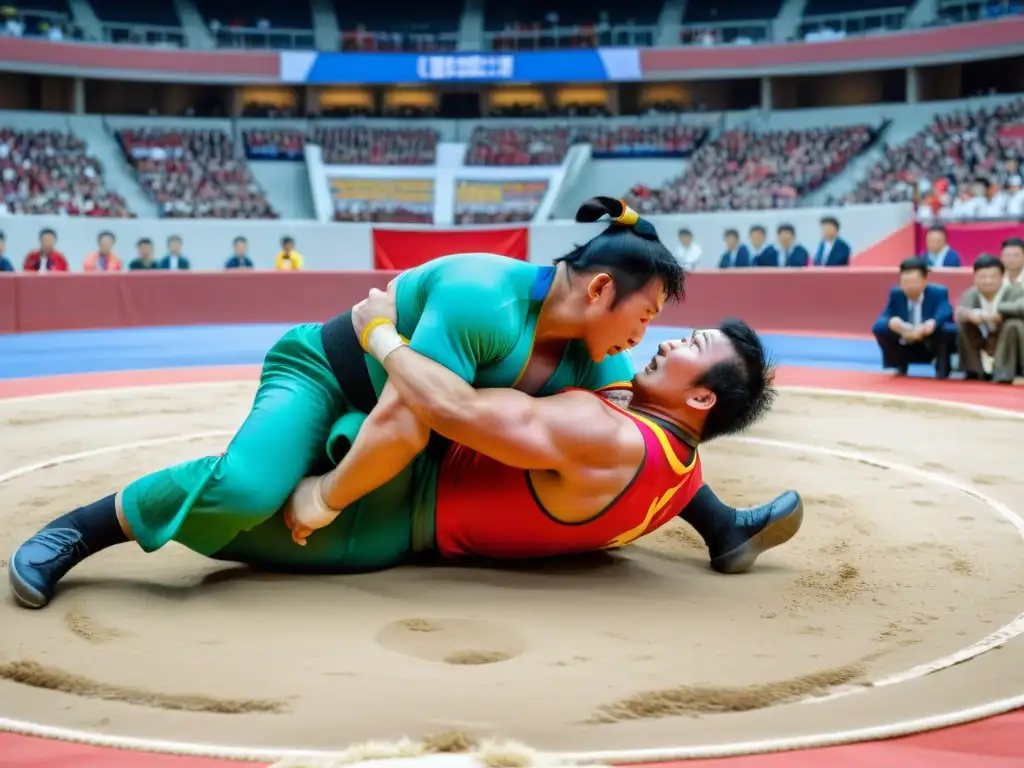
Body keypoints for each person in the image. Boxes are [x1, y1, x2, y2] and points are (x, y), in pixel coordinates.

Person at [9, 197, 798, 608]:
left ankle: (723, 527)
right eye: (647, 314)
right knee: (251, 489)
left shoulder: (602, 356)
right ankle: (79, 531)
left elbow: (653, 434)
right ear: (600, 290)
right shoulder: (480, 295)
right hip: (331, 375)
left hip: (413, 443)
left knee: (614, 442)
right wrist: (323, 497)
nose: (648, 337)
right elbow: (405, 416)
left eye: (661, 329)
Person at [871, 257, 954, 378]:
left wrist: (932, 323)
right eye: (905, 282)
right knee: (880, 328)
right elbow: (883, 319)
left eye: (913, 281)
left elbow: (946, 310)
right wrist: (893, 323)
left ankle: (942, 367)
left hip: (929, 341)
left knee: (946, 329)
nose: (909, 286)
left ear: (924, 280)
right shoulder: (896, 294)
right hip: (906, 338)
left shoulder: (938, 293)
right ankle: (897, 365)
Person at [955, 254, 1007, 380]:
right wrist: (971, 314)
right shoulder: (970, 294)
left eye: (993, 277)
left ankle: (1007, 371)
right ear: (974, 278)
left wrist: (997, 316)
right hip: (981, 336)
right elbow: (959, 313)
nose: (988, 281)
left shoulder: (1012, 292)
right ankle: (974, 371)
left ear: (1002, 277)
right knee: (964, 324)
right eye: (982, 277)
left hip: (1005, 338)